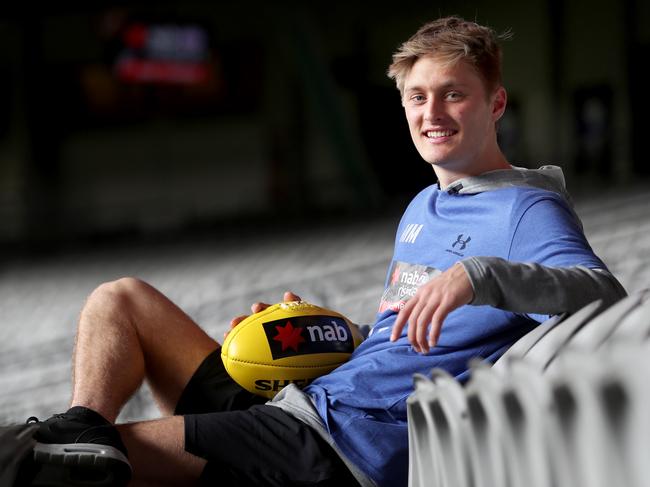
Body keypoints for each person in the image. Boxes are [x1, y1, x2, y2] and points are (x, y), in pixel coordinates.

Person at [19, 16, 625, 487]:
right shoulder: (424, 206)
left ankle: (81, 446)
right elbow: (396, 334)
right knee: (120, 301)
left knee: (71, 468)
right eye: (417, 97)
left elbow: (602, 294)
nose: (431, 114)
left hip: (339, 444)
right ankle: (83, 427)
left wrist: (480, 274)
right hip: (308, 400)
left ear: (495, 104)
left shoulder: (525, 208)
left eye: (452, 95)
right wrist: (313, 331)